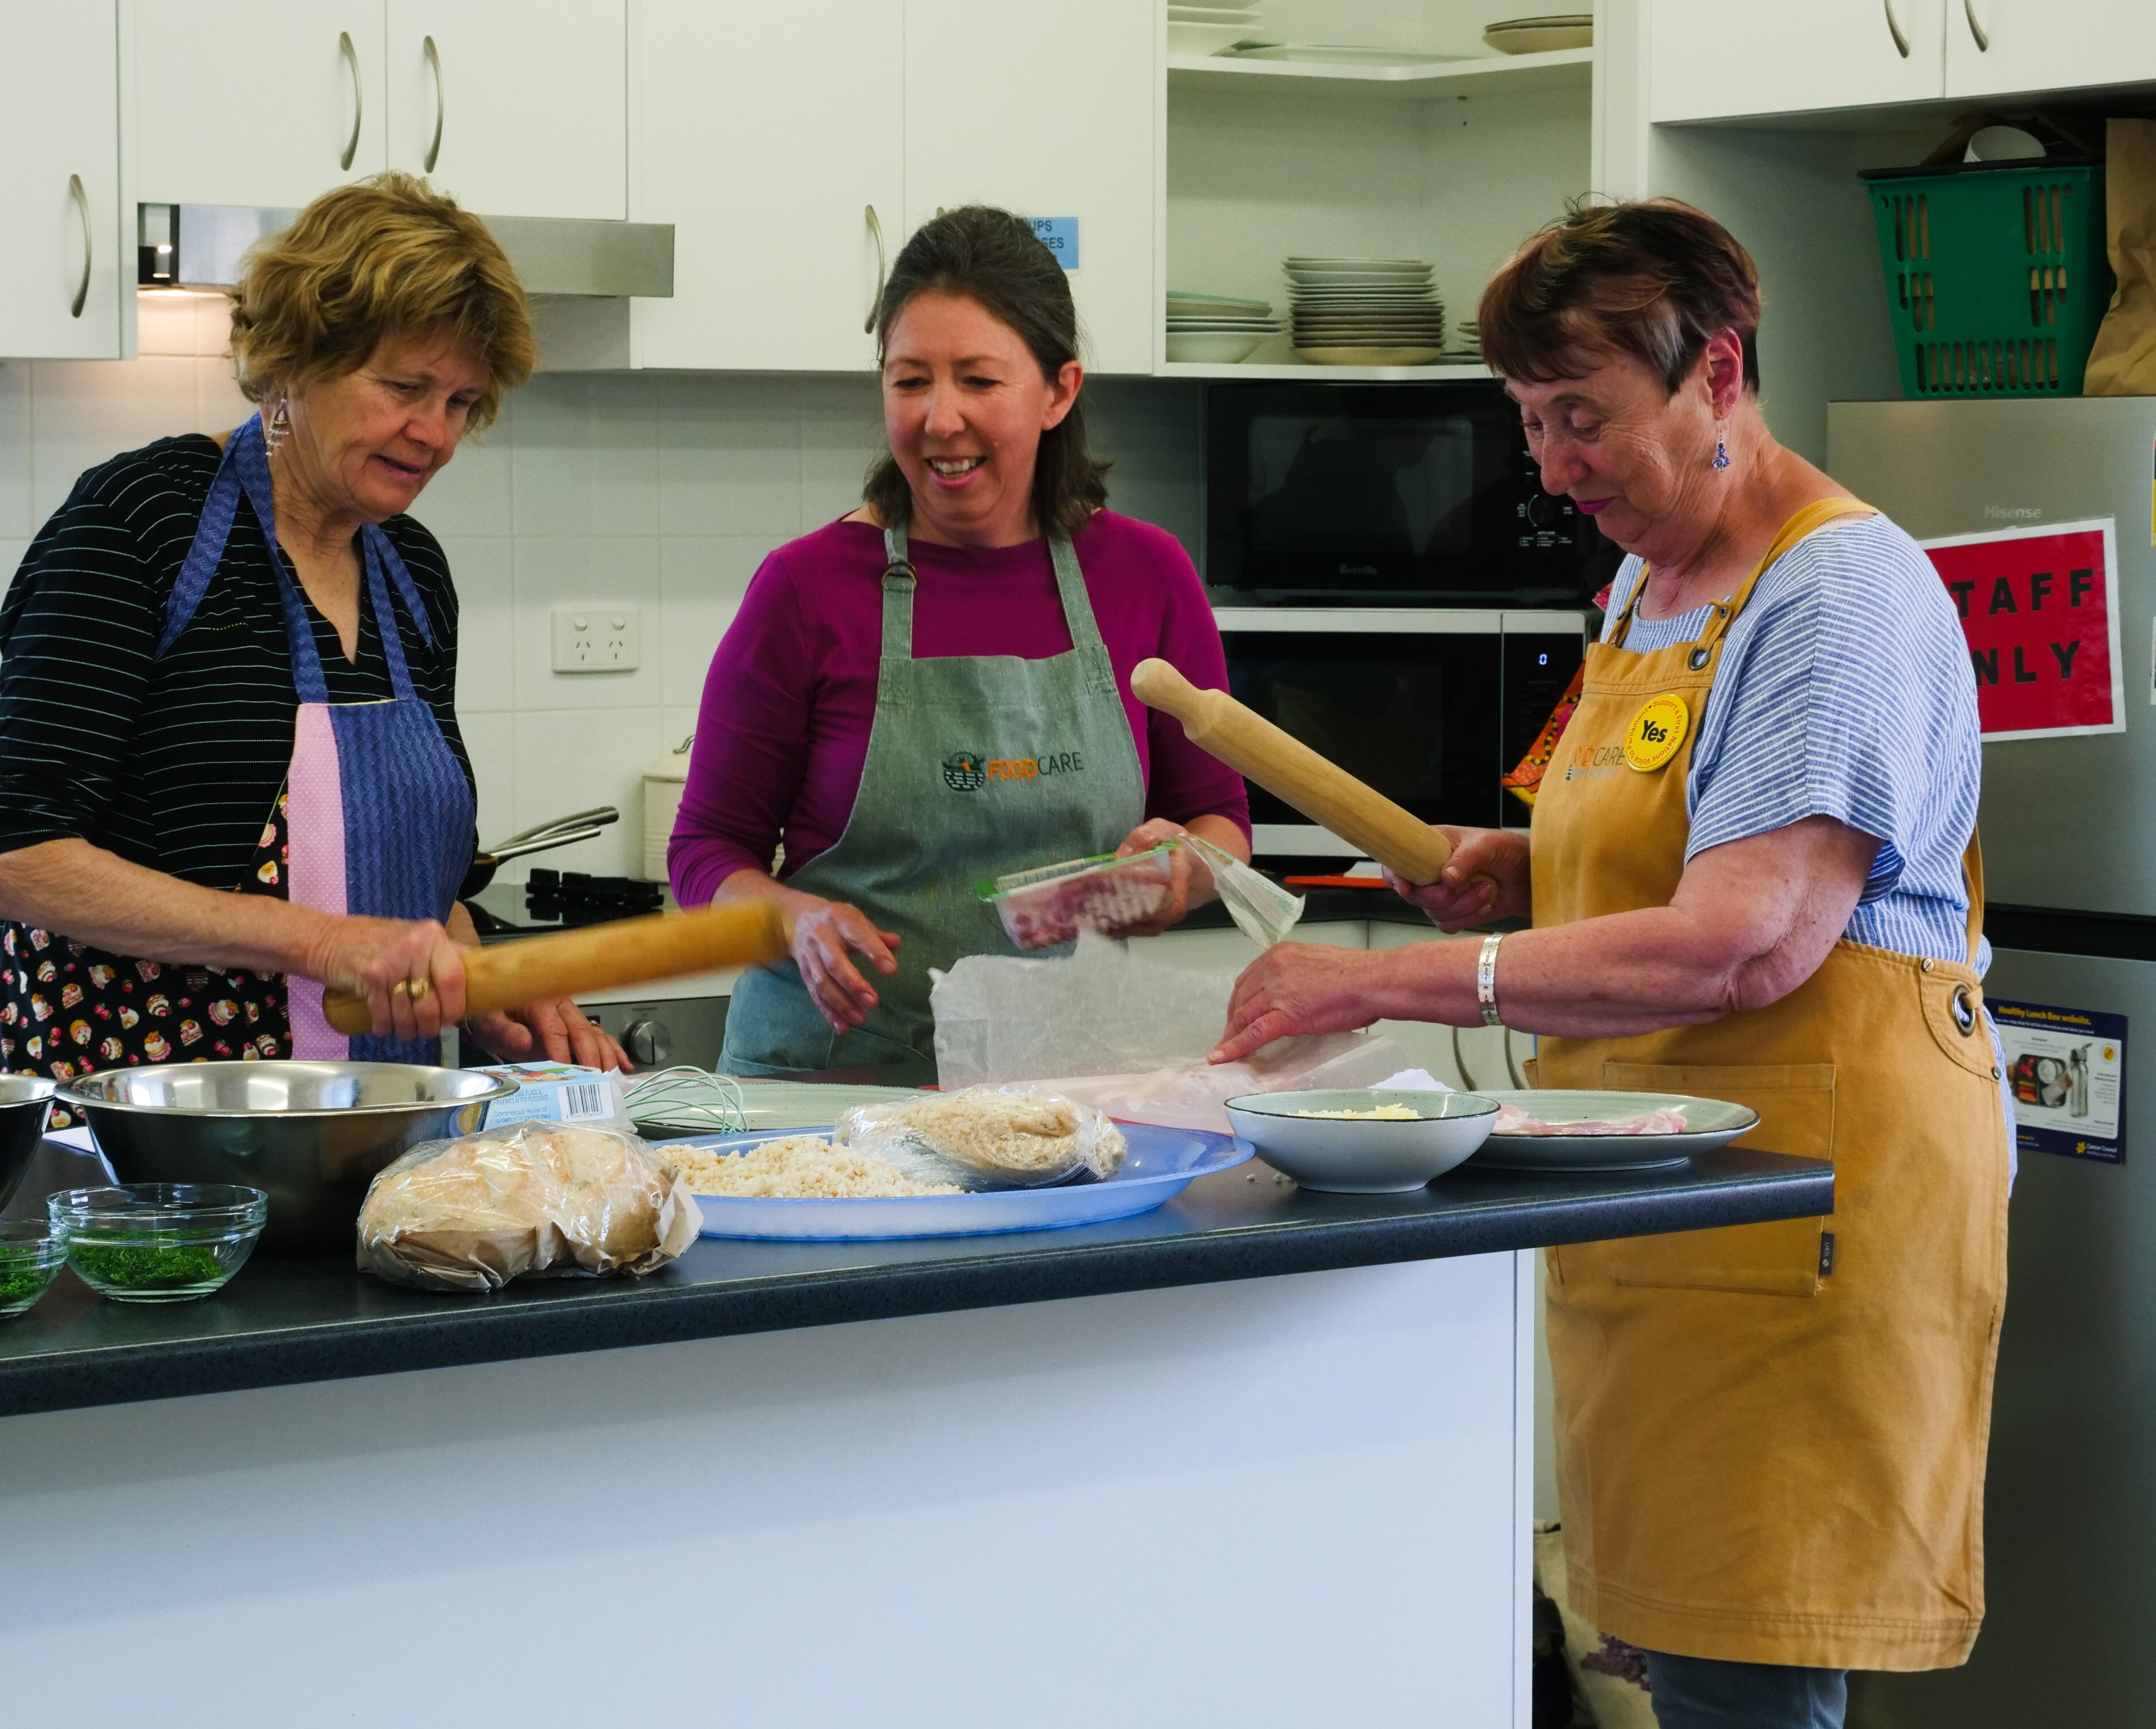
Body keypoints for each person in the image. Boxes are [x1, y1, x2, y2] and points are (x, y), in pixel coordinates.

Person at [1209, 200, 2007, 1729]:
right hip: (1655, 1191)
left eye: (1583, 415)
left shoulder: (1835, 591)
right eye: (1528, 424)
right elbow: (1671, 851)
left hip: (1800, 1206)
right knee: (1683, 1663)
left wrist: (1374, 982)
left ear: (1714, 374)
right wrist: (1517, 870)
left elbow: (1746, 941)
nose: (1555, 464)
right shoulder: (1652, 582)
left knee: (1749, 1682)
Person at [0, 174, 627, 1078]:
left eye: (461, 403)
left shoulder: (414, 576)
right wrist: (322, 946)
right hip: (132, 1125)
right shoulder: (142, 522)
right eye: (405, 387)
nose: (434, 434)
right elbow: (25, 861)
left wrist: (484, 984)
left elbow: (409, 894)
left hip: (362, 1118)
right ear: (296, 358)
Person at [670, 205, 1251, 1085]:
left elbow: (1223, 826)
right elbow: (705, 853)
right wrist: (794, 919)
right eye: (910, 382)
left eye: (978, 380)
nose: (941, 420)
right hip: (829, 1097)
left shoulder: (1145, 574)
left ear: (1059, 391)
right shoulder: (806, 588)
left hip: (1055, 1093)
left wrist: (1182, 872)